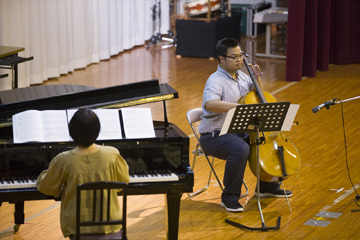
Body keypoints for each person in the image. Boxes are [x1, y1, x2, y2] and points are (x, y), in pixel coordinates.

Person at [199, 38, 292, 213]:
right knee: (240, 149)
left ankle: (266, 186)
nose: (239, 60)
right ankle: (229, 197)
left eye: (241, 55)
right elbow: (210, 104)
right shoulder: (216, 80)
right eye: (234, 57)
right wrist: (239, 108)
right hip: (215, 136)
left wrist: (256, 80)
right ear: (222, 59)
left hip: (238, 131)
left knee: (268, 143)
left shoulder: (242, 76)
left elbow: (257, 98)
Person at [36, 108, 130, 238]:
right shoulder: (112, 155)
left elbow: (48, 187)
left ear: (72, 132)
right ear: (97, 131)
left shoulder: (63, 160)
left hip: (77, 230)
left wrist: (44, 173)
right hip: (111, 228)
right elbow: (122, 183)